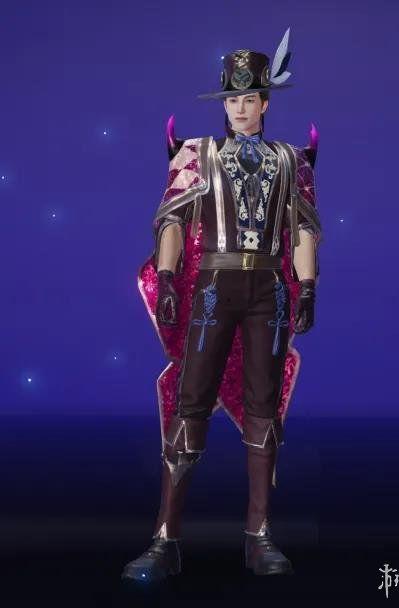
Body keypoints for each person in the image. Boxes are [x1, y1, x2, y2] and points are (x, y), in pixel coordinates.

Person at [122, 27, 323, 581]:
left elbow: (303, 228)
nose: (239, 107)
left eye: (249, 98)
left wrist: (307, 285)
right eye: (232, 98)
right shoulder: (197, 153)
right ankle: (165, 539)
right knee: (191, 401)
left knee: (264, 407)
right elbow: (172, 219)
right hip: (213, 284)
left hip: (269, 290)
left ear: (265, 103)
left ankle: (259, 537)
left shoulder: (291, 160)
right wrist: (167, 278)